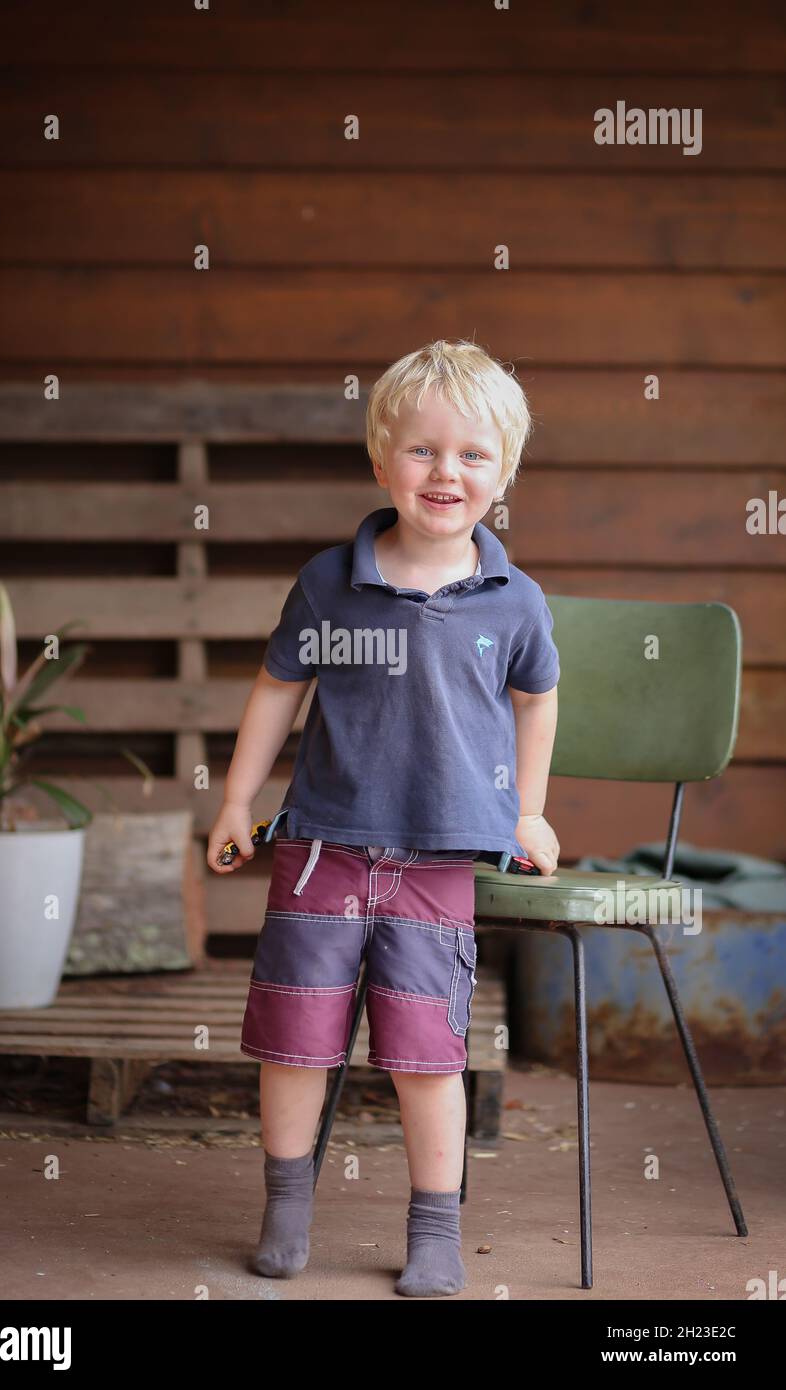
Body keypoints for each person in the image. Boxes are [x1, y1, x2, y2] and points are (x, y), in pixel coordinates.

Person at [208, 337, 561, 1297]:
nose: (446, 472)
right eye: (422, 450)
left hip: (437, 863)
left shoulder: (515, 601)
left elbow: (537, 702)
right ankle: (286, 1212)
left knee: (425, 1053)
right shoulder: (330, 581)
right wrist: (239, 799)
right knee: (297, 1041)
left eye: (473, 454)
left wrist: (527, 812)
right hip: (322, 848)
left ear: (504, 474)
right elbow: (279, 688)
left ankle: (436, 1232)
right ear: (380, 461)